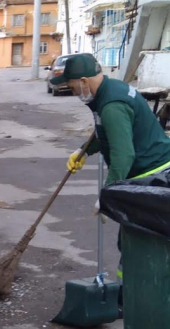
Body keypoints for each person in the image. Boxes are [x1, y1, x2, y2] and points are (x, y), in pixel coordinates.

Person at [52, 54, 170, 313]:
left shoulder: (112, 105)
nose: (72, 92)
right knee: (134, 239)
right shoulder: (108, 91)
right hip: (151, 171)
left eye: (72, 87)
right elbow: (104, 131)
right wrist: (82, 151)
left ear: (84, 81)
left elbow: (123, 154)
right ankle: (132, 295)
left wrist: (109, 194)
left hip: (151, 177)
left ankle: (130, 301)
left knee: (135, 239)